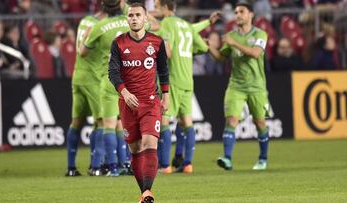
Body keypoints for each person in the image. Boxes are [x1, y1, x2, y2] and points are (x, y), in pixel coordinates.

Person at [109, 3, 169, 202]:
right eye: (130, 15)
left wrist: (166, 96)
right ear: (127, 19)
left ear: (145, 19)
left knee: (149, 142)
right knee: (135, 149)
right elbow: (113, 72)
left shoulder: (157, 42)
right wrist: (124, 93)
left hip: (151, 102)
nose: (134, 18)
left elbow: (163, 70)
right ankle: (144, 191)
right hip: (127, 103)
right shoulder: (118, 43)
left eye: (137, 15)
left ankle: (147, 191)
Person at [154, 0, 221, 173]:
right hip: (187, 80)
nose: (154, 10)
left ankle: (165, 165)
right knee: (187, 122)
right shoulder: (186, 25)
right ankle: (188, 164)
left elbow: (167, 52)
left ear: (164, 8)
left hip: (172, 79)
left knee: (164, 122)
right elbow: (201, 47)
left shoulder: (166, 24)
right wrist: (208, 22)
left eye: (156, 6)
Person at [209, 1, 270, 170]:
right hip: (236, 85)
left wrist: (233, 43)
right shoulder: (232, 35)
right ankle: (227, 159)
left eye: (241, 11)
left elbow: (255, 53)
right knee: (231, 120)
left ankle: (263, 159)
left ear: (251, 14)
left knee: (260, 123)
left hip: (256, 86)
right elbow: (222, 57)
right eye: (236, 12)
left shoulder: (260, 34)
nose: (238, 15)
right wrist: (210, 48)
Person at [81, 0, 132, 176]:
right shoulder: (131, 21)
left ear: (103, 8)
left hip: (109, 79)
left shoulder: (99, 27)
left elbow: (83, 52)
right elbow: (153, 25)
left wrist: (86, 35)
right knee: (123, 123)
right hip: (129, 79)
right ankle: (125, 163)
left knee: (109, 125)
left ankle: (113, 168)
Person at [65, 1, 108, 177]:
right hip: (92, 77)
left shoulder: (85, 21)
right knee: (102, 121)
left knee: (77, 121)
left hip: (78, 76)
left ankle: (71, 168)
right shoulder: (101, 26)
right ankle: (96, 166)